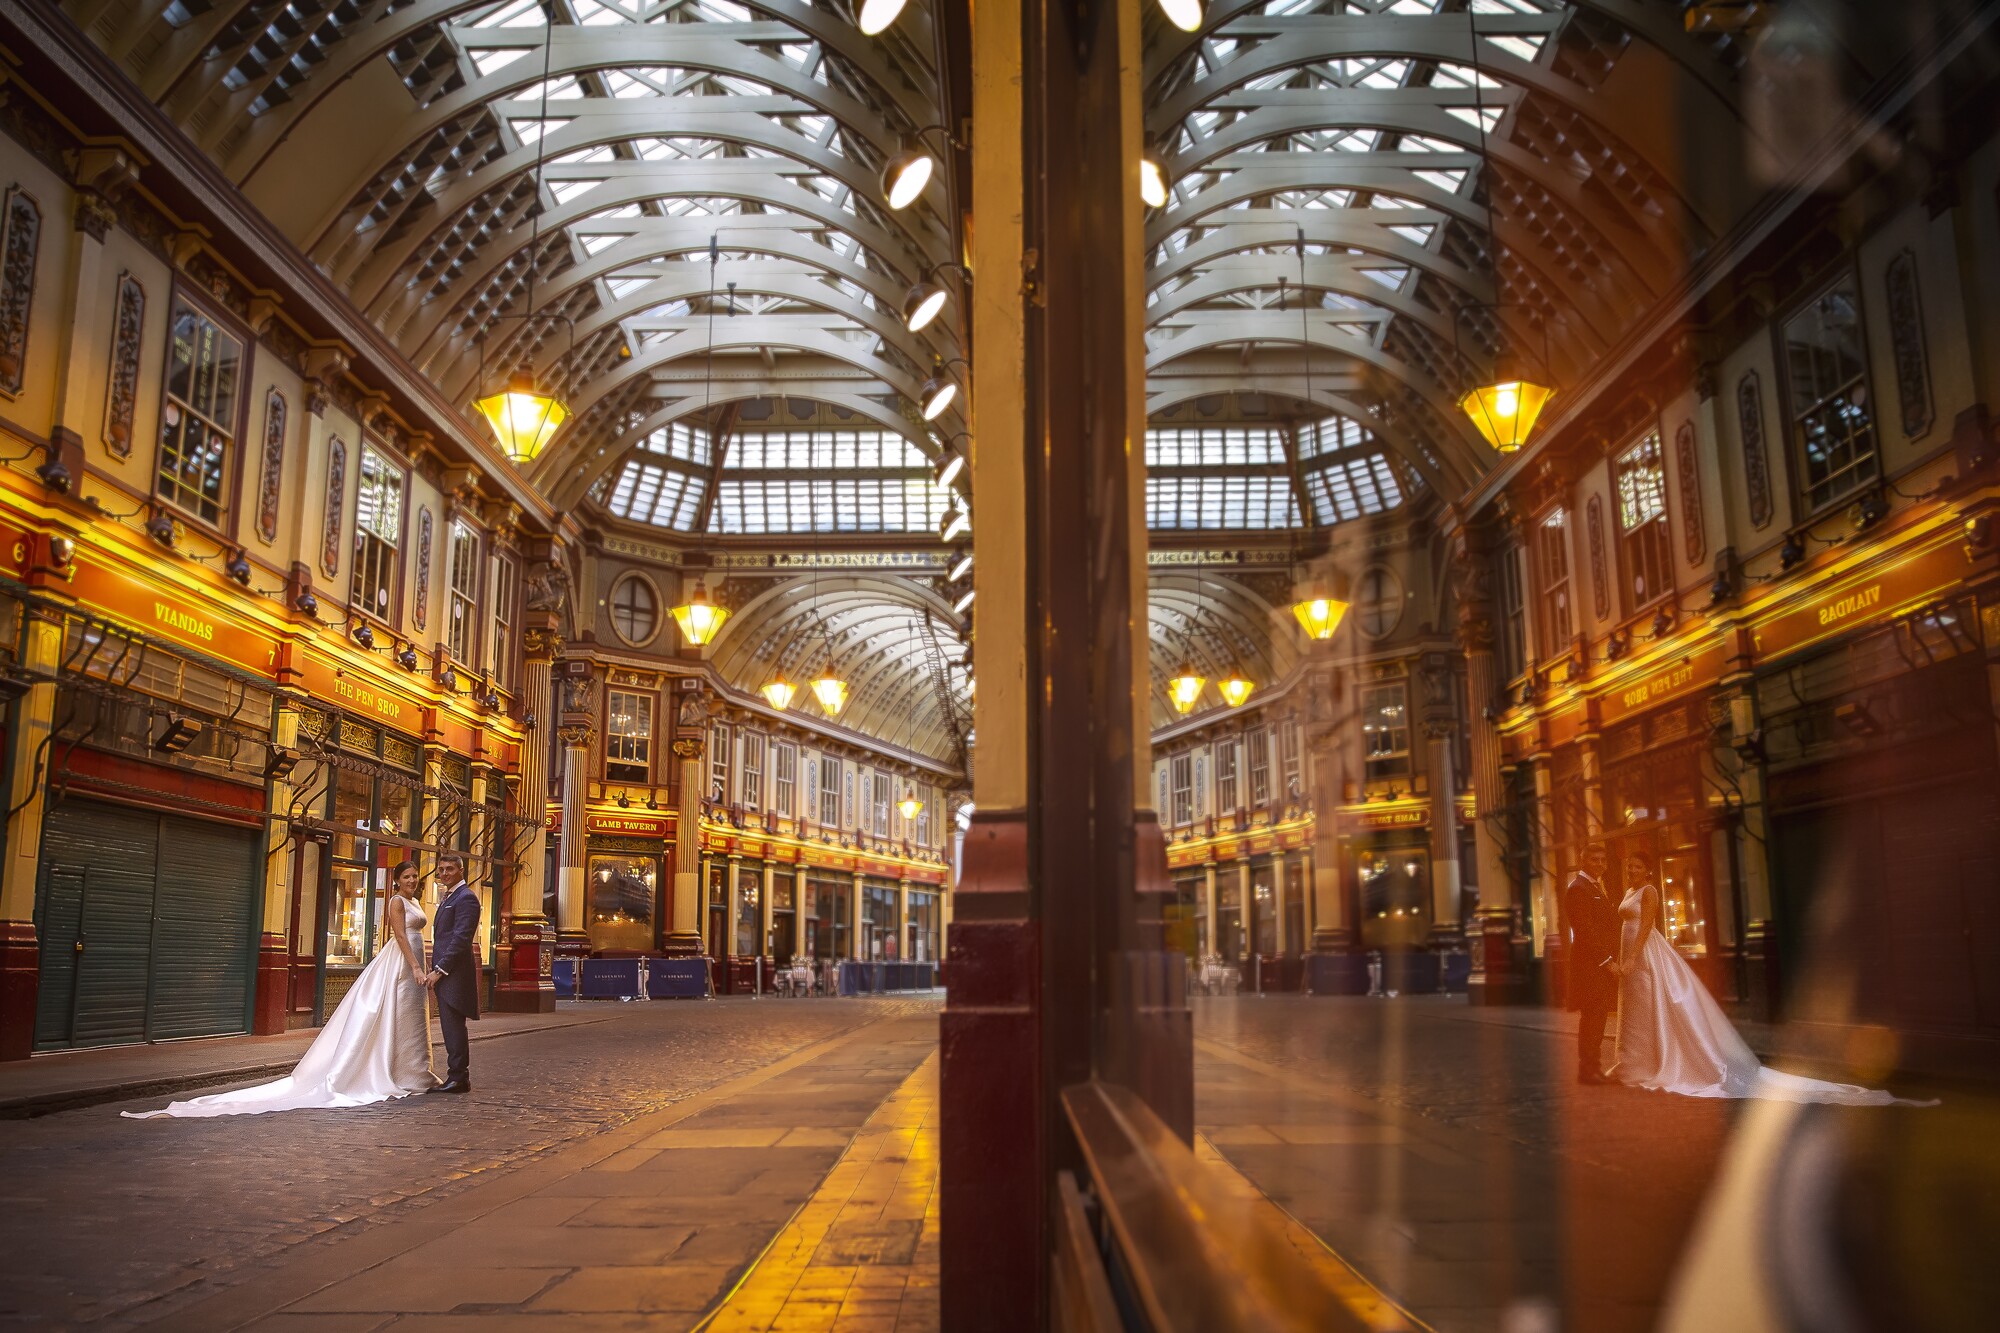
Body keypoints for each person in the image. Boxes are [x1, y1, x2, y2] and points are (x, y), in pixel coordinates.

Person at [125, 861, 435, 1118]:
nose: (411, 881)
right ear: (395, 881)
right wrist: (416, 967)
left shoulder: (416, 902)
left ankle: (412, 1073)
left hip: (413, 970)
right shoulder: (396, 902)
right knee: (392, 1016)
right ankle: (385, 1072)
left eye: (414, 877)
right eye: (406, 877)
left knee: (409, 1022)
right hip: (402, 965)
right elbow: (400, 937)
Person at [1611, 852, 1925, 1104]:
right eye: (1629, 867)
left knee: (1655, 1006)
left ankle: (1665, 1063)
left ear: (1648, 871)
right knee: (1637, 1012)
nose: (1632, 871)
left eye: (1637, 867)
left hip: (1644, 956)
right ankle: (1637, 1064)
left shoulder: (1649, 892)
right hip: (1632, 958)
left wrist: (1631, 959)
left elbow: (1645, 929)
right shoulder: (1629, 891)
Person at [1562, 843, 1619, 1085]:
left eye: (1603, 860)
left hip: (1598, 966)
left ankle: (1591, 1068)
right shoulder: (1578, 889)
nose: (1600, 865)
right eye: (1594, 860)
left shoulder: (1594, 886)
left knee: (1597, 1018)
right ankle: (1588, 1070)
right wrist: (1607, 961)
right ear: (1583, 861)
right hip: (1590, 968)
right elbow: (1585, 931)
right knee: (1592, 1019)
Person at [425, 852, 481, 1093]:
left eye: (449, 869)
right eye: (441, 869)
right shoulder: (450, 896)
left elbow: (460, 939)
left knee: (453, 1026)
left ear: (461, 871)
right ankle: (457, 1075)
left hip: (454, 975)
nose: (444, 874)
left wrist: (440, 969)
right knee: (450, 1027)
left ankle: (459, 1077)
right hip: (447, 974)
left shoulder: (466, 898)